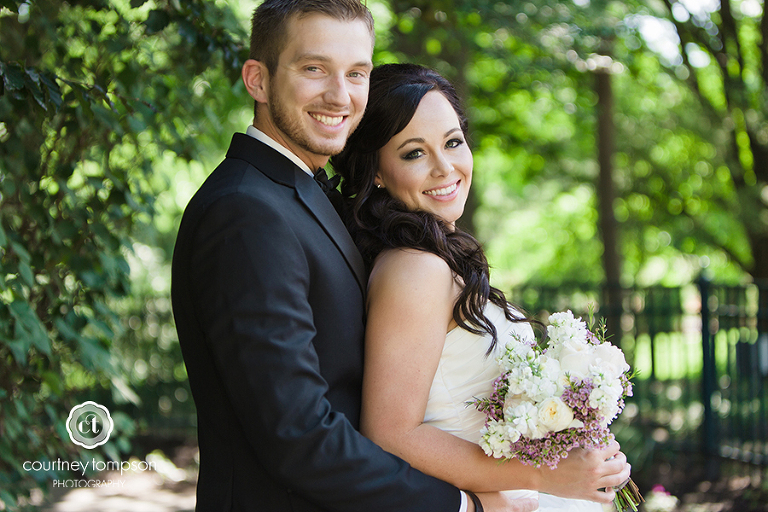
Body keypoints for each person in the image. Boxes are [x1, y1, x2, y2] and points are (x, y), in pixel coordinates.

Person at [171, 1, 536, 511]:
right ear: (258, 80)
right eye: (314, 68)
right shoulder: (245, 212)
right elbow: (298, 435)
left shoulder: (304, 196)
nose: (340, 95)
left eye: (356, 73)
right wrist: (462, 506)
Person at [332, 63, 632, 511]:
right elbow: (391, 436)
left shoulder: (435, 257)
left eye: (453, 142)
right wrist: (544, 473)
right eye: (414, 153)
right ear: (376, 170)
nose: (445, 168)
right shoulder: (415, 270)